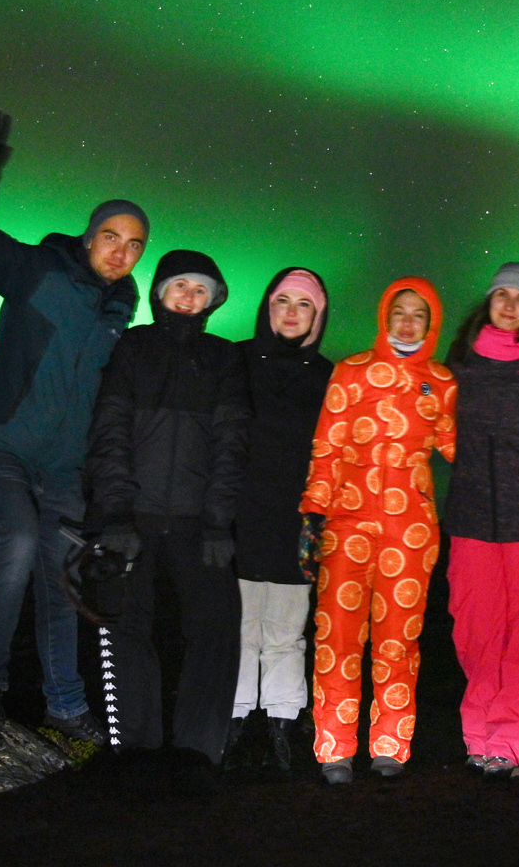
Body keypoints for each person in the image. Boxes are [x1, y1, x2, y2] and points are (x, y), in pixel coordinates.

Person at [0, 107, 143, 750]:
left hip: (64, 470)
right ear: (89, 236)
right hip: (1, 446)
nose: (122, 250)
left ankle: (65, 705)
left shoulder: (119, 318)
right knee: (19, 545)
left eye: (135, 243)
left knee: (63, 584)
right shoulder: (38, 274)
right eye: (111, 235)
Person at [83, 249, 249, 781]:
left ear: (214, 300)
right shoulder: (134, 347)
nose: (189, 296)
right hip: (131, 517)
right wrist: (114, 514)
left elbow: (230, 444)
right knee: (124, 623)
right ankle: (133, 748)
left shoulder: (225, 359)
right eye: (180, 285)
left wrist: (220, 522)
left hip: (198, 522)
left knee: (218, 624)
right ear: (160, 292)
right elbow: (110, 431)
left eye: (201, 289)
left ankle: (198, 752)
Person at [303, 277, 458, 783]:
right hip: (349, 523)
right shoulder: (351, 372)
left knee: (399, 640)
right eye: (400, 311)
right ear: (385, 317)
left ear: (430, 324)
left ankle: (391, 744)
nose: (408, 321)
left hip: (412, 531)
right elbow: (325, 448)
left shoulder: (442, 381)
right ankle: (335, 749)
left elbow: (461, 450)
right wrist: (312, 514)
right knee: (338, 637)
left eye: (419, 313)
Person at [442, 263, 519, 774]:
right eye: (502, 294)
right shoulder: (459, 362)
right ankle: (479, 732)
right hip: (472, 514)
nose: (511, 304)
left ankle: (512, 736)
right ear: (488, 301)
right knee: (475, 627)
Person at [227, 267, 334, 775]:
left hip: (301, 520)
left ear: (318, 316)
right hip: (242, 513)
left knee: (288, 629)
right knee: (242, 624)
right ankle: (236, 717)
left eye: (304, 304)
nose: (291, 313)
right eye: (282, 301)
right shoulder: (237, 360)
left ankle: (282, 720)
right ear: (268, 306)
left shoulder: (327, 375)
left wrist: (322, 516)